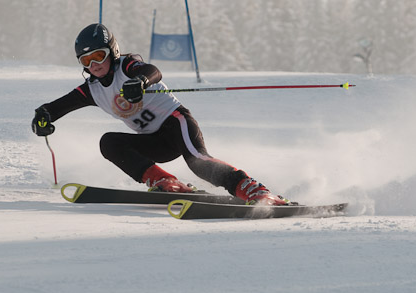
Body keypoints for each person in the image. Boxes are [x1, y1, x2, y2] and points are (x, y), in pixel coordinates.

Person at [32, 24, 288, 205]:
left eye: (98, 55)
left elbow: (153, 71)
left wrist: (141, 81)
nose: (94, 64)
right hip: (154, 142)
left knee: (199, 162)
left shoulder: (128, 65)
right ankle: (165, 181)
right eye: (85, 61)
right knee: (109, 142)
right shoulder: (92, 89)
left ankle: (254, 190)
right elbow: (56, 108)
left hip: (176, 124)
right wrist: (43, 117)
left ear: (113, 51)